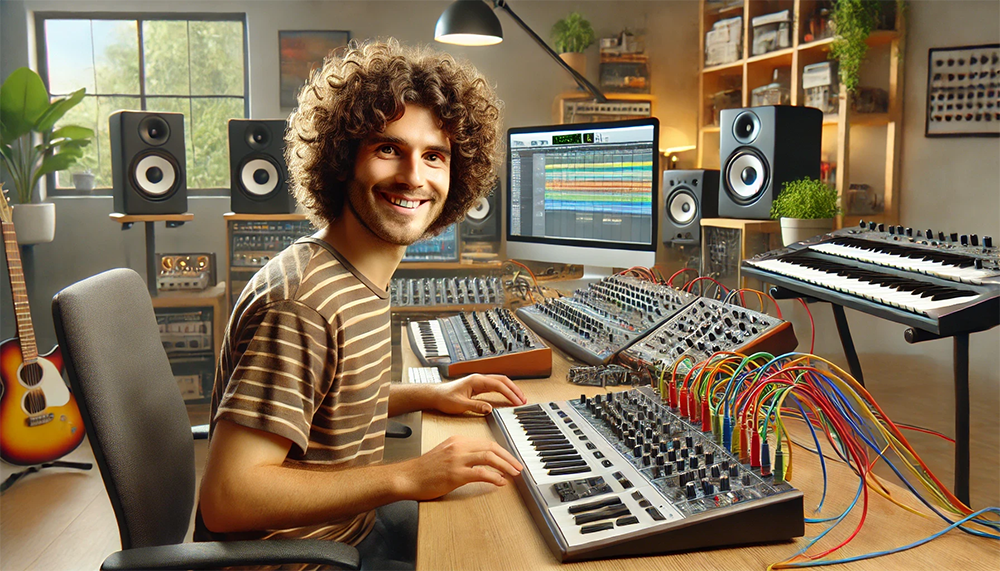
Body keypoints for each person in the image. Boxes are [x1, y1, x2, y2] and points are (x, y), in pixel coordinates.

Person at [195, 39, 525, 571]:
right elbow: (229, 496)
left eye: (434, 156)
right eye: (388, 149)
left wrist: (430, 393)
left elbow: (330, 400)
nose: (414, 177)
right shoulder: (301, 305)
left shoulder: (353, 274)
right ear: (343, 159)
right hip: (305, 560)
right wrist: (407, 475)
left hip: (349, 531)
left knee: (501, 529)